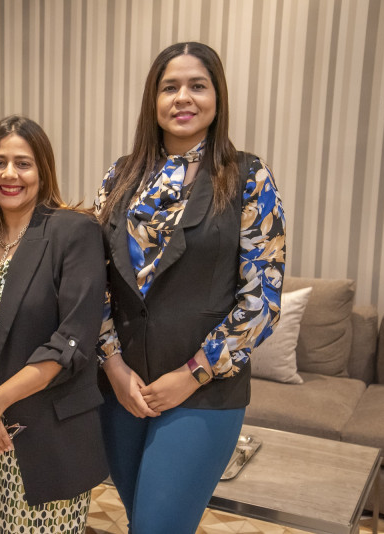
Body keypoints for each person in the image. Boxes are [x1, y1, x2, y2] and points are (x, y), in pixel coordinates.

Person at [94, 42, 286, 533]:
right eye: (170, 87)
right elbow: (93, 283)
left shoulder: (247, 176)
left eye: (197, 86)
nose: (183, 97)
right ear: (152, 101)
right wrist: (113, 366)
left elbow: (261, 297)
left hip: (203, 392)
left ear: (217, 98)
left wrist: (193, 373)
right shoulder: (121, 176)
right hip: (123, 391)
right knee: (146, 522)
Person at [0, 115, 108, 533]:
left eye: (23, 163)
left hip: (47, 437)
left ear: (42, 170)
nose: (9, 174)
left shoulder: (74, 232)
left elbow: (73, 339)